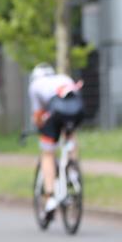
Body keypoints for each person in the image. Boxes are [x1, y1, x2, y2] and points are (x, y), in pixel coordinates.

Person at [28, 63, 85, 222]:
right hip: (77, 108)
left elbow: (38, 115)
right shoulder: (63, 77)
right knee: (70, 135)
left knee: (47, 153)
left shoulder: (35, 85)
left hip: (56, 112)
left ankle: (50, 196)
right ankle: (73, 168)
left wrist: (40, 128)